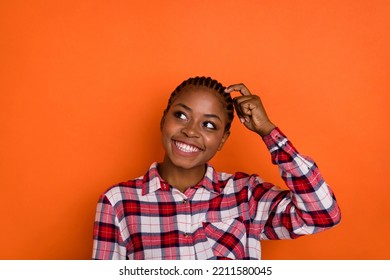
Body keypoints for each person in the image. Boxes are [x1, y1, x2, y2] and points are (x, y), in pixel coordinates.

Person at [92, 76, 341, 260]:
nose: (190, 131)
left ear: (222, 139)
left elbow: (322, 215)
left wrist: (267, 130)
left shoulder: (246, 196)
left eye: (209, 125)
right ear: (163, 120)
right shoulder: (118, 203)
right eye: (181, 115)